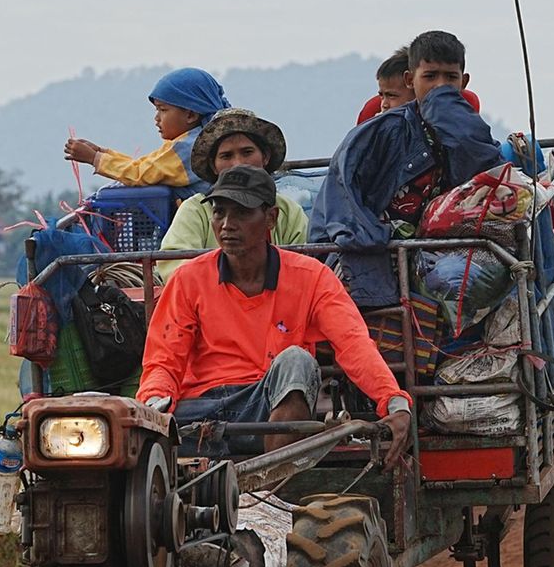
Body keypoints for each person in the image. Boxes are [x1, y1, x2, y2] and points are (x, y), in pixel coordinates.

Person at [138, 164, 412, 462]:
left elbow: (353, 343)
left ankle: (274, 491)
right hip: (201, 411)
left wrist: (394, 402)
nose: (227, 224)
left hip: (266, 407)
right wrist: (154, 408)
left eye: (241, 213)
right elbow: (164, 360)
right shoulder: (188, 279)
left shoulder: (311, 277)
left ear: (271, 218)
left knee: (297, 360)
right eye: (219, 212)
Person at [312, 30, 503, 307]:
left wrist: (452, 121)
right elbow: (343, 204)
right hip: (369, 251)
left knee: (468, 278)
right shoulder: (381, 132)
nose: (440, 86)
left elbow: (489, 176)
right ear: (409, 80)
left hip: (432, 253)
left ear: (464, 82)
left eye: (450, 78)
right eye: (430, 77)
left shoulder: (471, 132)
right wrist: (377, 245)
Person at [157, 108, 308, 278]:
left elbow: (302, 267)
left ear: (265, 157)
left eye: (247, 152)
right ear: (214, 166)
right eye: (226, 156)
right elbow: (172, 266)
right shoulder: (196, 209)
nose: (238, 163)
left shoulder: (290, 211)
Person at [63, 68, 232, 195]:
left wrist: (95, 159)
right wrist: (102, 152)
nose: (157, 118)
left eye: (163, 110)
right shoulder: (193, 140)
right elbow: (145, 167)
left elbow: (140, 174)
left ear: (190, 115)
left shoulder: (191, 148)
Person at [357, 46, 482, 124]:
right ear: (410, 81)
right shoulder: (372, 122)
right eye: (430, 76)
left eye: (392, 96)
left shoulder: (464, 109)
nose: (384, 104)